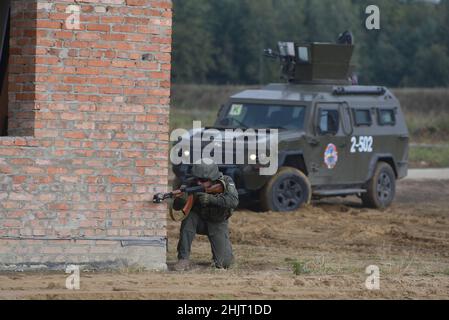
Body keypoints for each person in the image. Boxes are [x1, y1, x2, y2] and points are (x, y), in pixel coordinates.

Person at [173, 163, 239, 271]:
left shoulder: (225, 182)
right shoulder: (190, 183)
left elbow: (234, 201)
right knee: (188, 218)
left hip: (217, 222)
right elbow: (176, 207)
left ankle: (218, 257)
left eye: (204, 180)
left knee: (224, 263)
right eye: (198, 179)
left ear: (213, 179)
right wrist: (182, 199)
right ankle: (183, 259)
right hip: (197, 221)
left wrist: (211, 199)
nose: (199, 183)